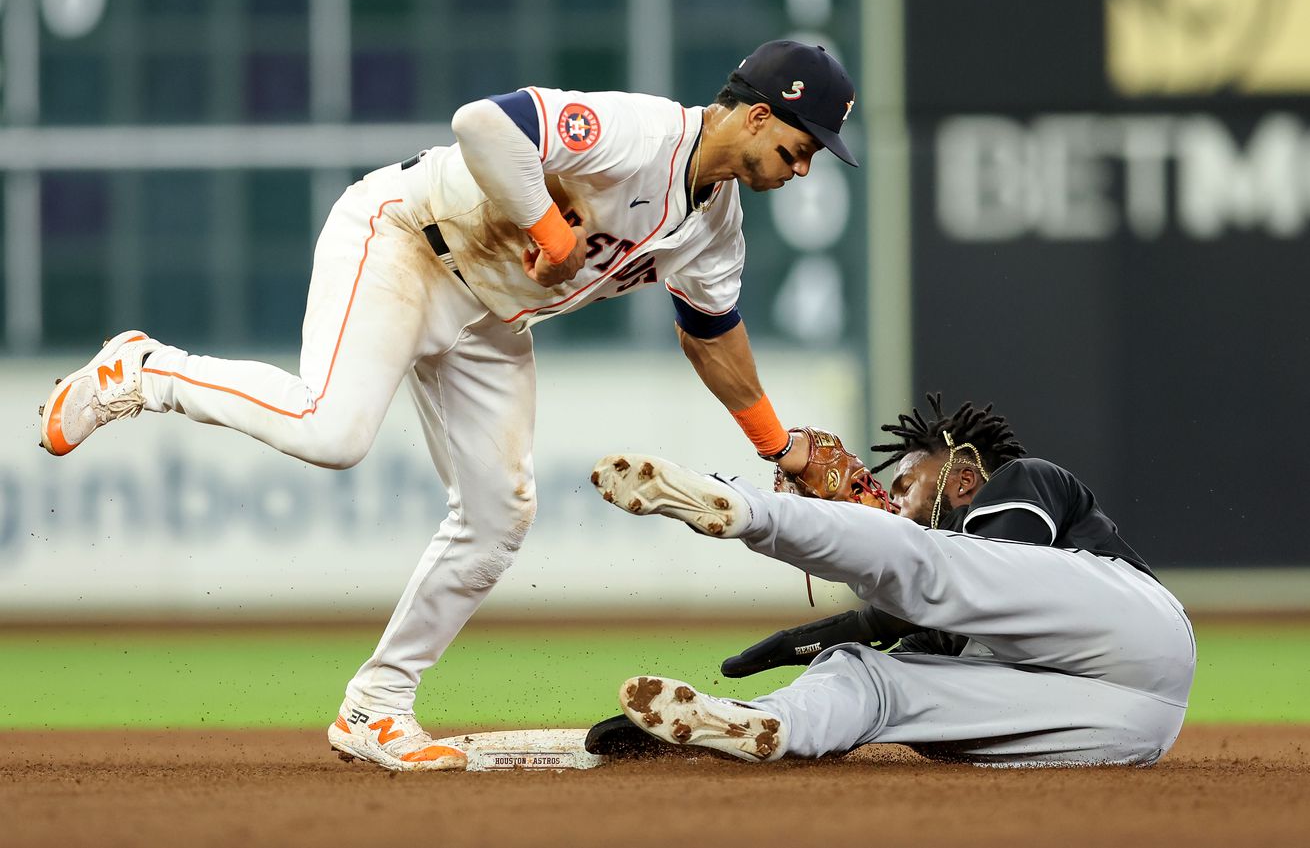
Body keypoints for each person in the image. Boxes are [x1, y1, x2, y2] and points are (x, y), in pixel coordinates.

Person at [37, 41, 860, 771]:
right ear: (757, 116)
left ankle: (374, 708)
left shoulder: (718, 229)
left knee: (500, 514)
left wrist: (779, 446)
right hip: (404, 239)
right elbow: (482, 125)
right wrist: (550, 224)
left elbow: (713, 339)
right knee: (334, 430)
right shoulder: (641, 131)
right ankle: (142, 372)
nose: (805, 166)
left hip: (490, 321)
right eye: (803, 145)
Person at [588, 395, 1196, 767]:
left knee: (926, 564)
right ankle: (760, 724)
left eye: (904, 483)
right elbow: (934, 625)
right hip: (1129, 732)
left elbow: (976, 573)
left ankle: (741, 506)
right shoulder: (942, 578)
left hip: (1143, 633)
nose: (891, 495)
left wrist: (854, 607)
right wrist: (830, 648)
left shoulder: (1020, 480)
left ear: (961, 479)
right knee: (872, 682)